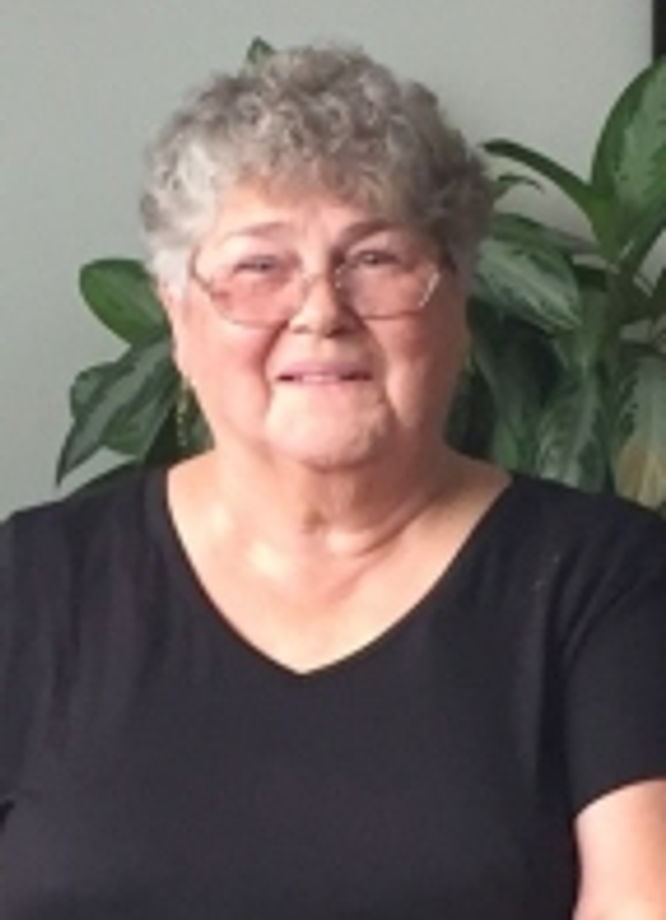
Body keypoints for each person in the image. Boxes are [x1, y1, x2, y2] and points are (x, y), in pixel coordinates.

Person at [1, 46, 665, 919]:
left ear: (457, 303)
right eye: (259, 267)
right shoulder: (29, 583)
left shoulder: (611, 581)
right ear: (180, 319)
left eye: (376, 259)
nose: (320, 310)